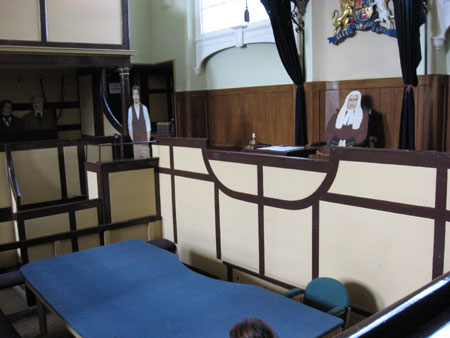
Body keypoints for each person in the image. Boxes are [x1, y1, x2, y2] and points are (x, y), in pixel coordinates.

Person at [128, 85, 151, 159]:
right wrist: (134, 140)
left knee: (147, 163)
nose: (136, 96)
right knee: (138, 164)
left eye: (137, 94)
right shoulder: (130, 110)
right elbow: (130, 127)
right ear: (132, 96)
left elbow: (148, 125)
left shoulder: (144, 108)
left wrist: (147, 140)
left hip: (144, 142)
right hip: (136, 143)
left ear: (139, 95)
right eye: (134, 94)